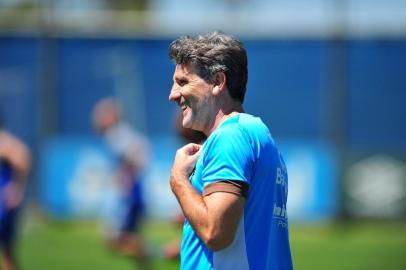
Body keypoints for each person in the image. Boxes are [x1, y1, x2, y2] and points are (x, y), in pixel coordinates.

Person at [167, 31, 293, 269]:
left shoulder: (230, 136)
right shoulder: (258, 134)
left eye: (183, 82)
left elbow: (216, 233)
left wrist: (178, 181)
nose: (172, 94)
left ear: (217, 82)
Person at [92, 98, 151, 269]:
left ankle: (152, 251)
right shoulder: (118, 133)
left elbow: (138, 153)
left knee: (112, 237)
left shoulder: (117, 134)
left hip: (126, 194)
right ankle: (146, 256)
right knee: (123, 236)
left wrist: (126, 175)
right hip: (129, 192)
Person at [0, 115, 31, 270]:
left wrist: (17, 187)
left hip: (3, 205)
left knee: (7, 251)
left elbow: (23, 157)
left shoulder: (5, 142)